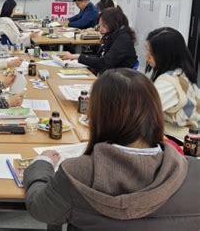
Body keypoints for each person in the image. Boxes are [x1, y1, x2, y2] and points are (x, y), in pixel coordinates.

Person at [24, 68, 200, 229]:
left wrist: (42, 163)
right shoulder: (193, 172)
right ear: (154, 112)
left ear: (97, 116)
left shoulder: (76, 172)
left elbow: (40, 208)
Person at [146, 27, 200, 140]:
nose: (146, 56)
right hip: (186, 137)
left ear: (165, 55)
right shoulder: (181, 72)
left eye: (151, 53)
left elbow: (143, 114)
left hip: (178, 141)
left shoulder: (168, 83)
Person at [63, 8, 137, 75]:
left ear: (114, 25)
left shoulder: (123, 40)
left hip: (119, 80)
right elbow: (100, 57)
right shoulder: (114, 36)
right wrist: (76, 57)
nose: (100, 29)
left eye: (104, 26)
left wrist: (78, 57)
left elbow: (105, 63)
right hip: (111, 75)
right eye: (100, 25)